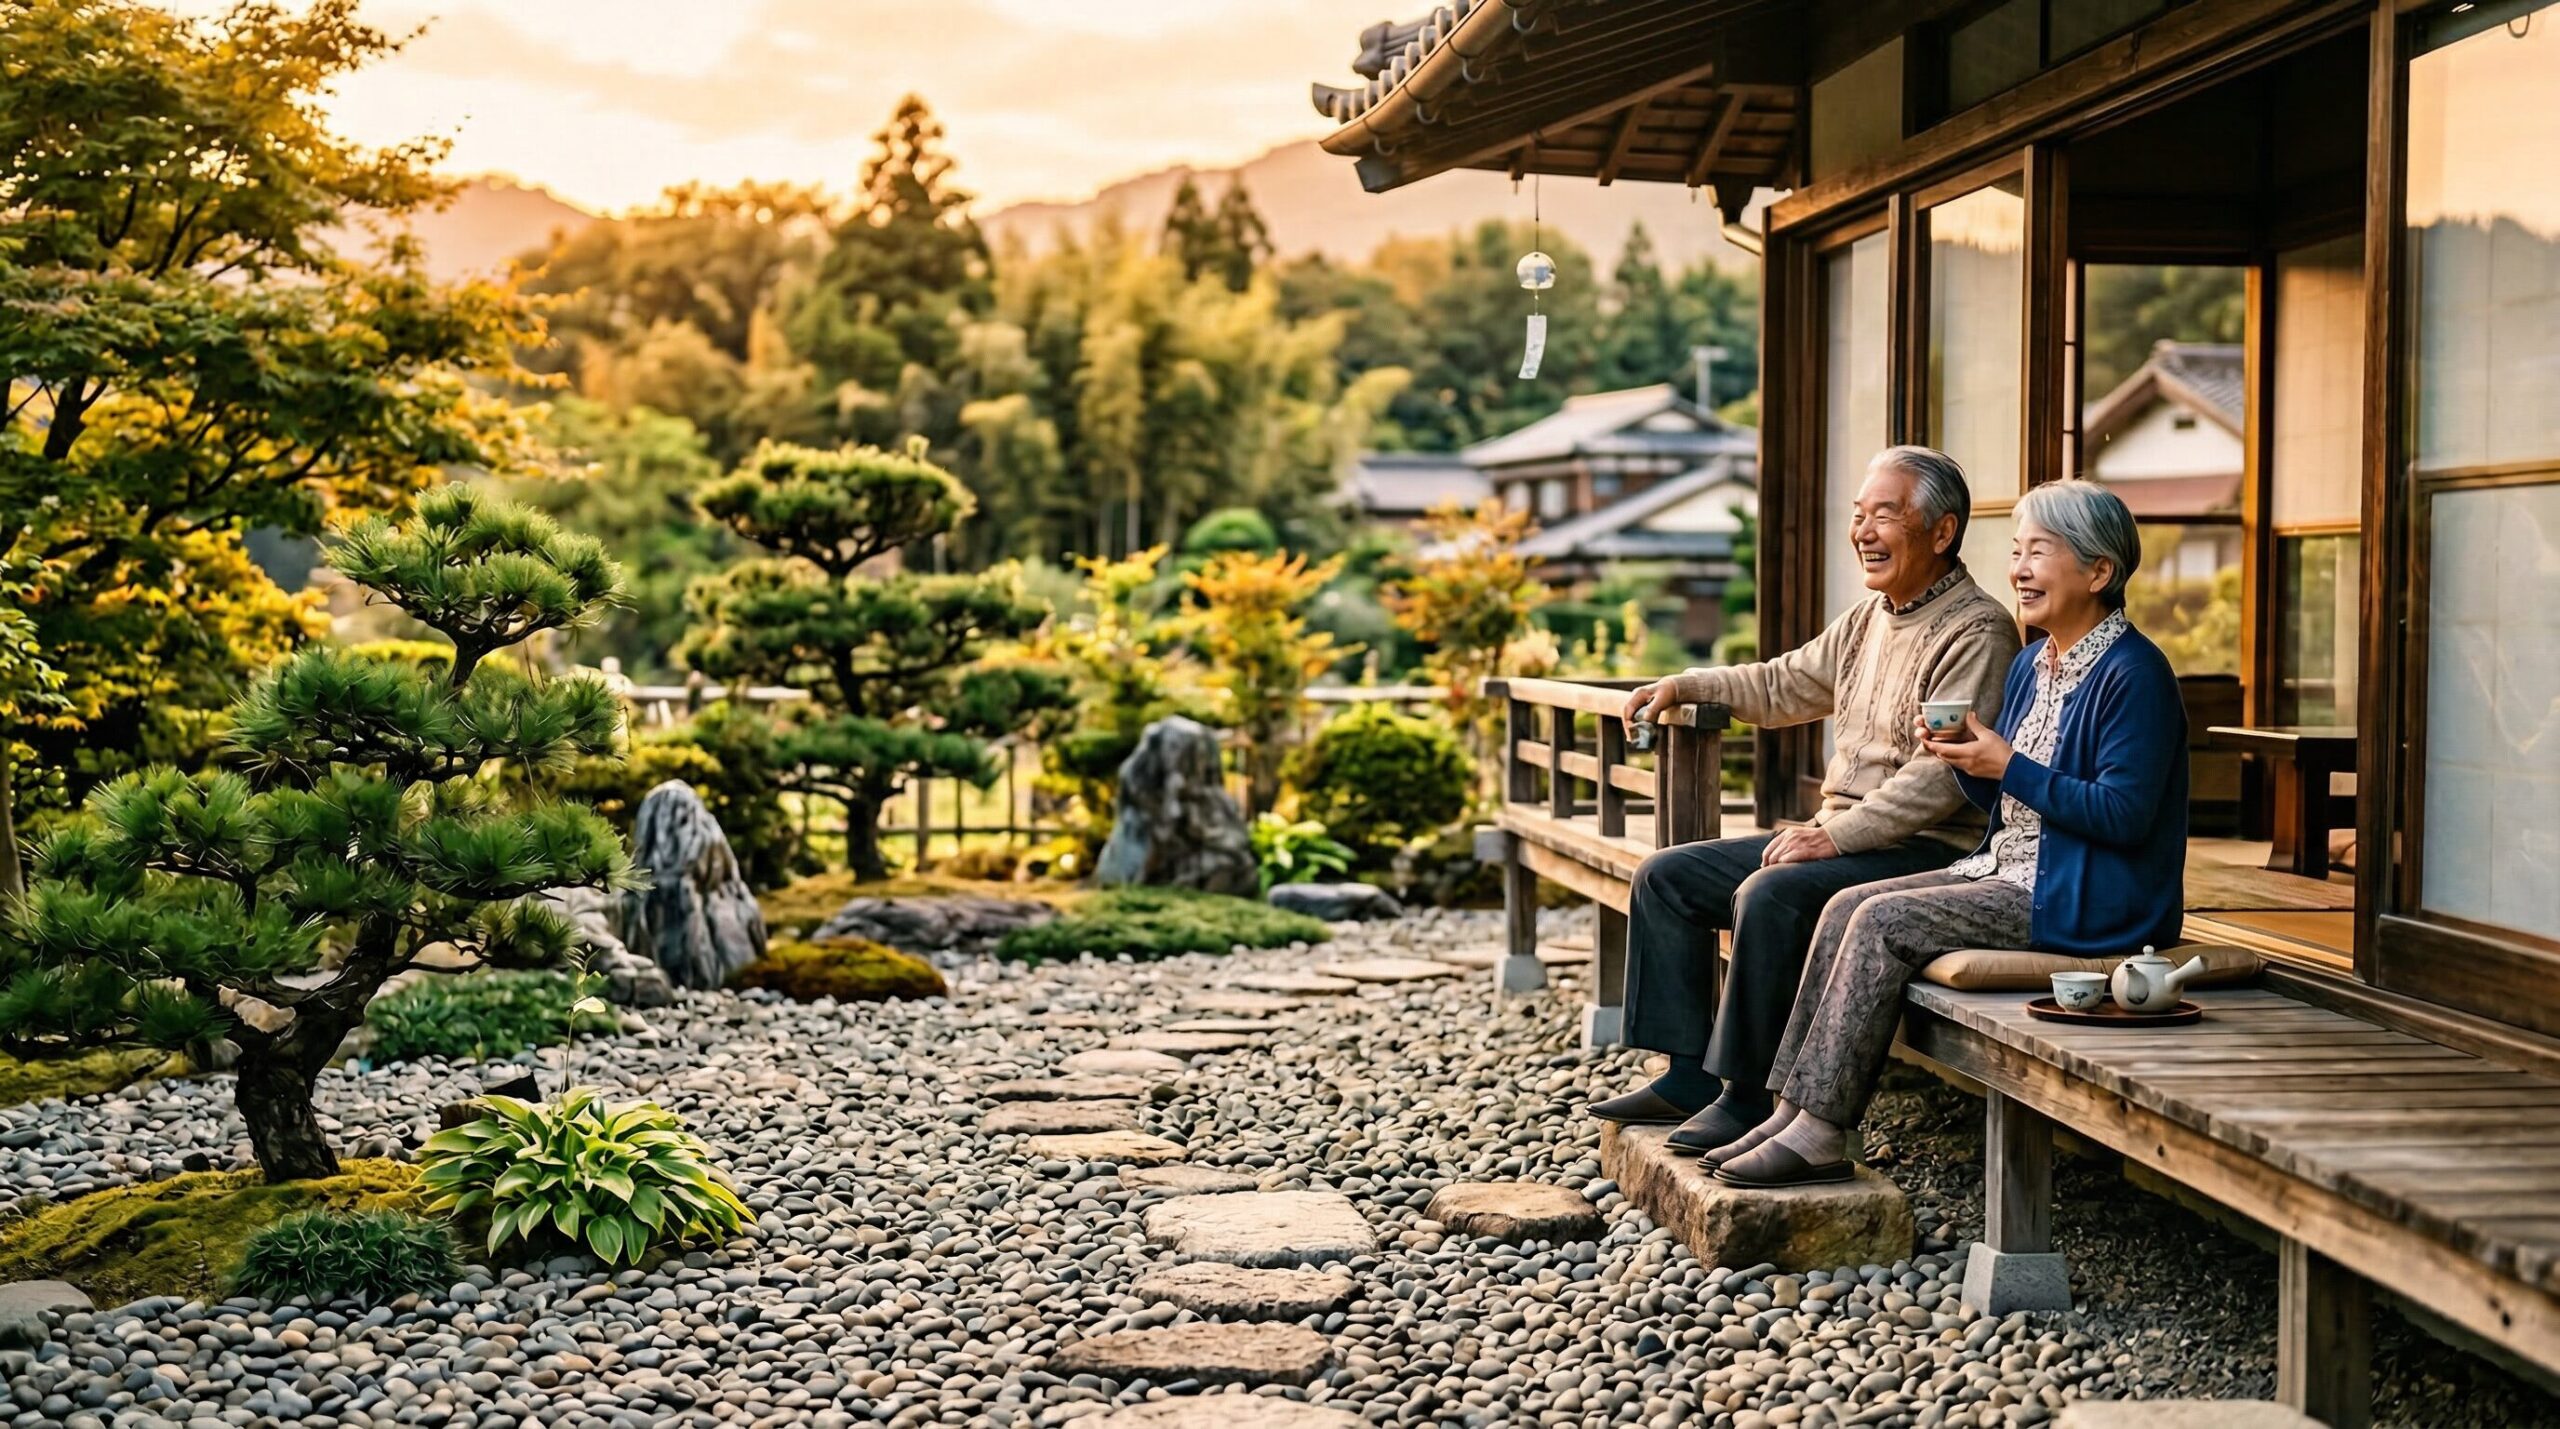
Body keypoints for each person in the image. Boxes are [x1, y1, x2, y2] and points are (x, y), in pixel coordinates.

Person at [1705, 479, 2189, 1188]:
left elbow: (2124, 814)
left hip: (2088, 897)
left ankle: (1820, 1128)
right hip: (2011, 866)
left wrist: (2008, 764)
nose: (2019, 568)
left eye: (2040, 552)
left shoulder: (2133, 674)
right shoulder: (2033, 663)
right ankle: (1791, 1108)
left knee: (1880, 920)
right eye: (2016, 551)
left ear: (2099, 571)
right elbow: (2011, 798)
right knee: (1845, 906)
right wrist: (1965, 760)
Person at [1587, 446, 2022, 1156]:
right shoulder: (1869, 619)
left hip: (1924, 850)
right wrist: (1687, 685)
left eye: (1887, 513)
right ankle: (1688, 1074)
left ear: (1942, 533)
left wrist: (1835, 835)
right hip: (1842, 836)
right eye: (1859, 515)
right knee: (1666, 876)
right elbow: (1781, 684)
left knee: (1772, 894)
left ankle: (1747, 1094)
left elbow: (1941, 777)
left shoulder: (1977, 629)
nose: (1865, 531)